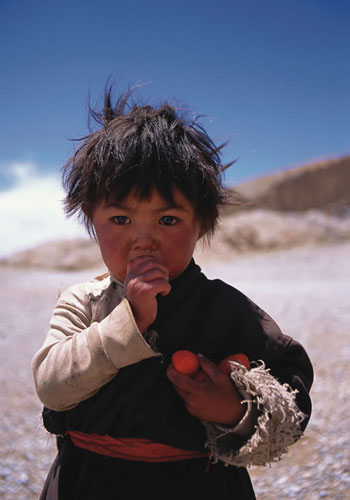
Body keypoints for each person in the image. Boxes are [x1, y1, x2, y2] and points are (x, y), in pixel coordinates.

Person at [32, 87, 313, 500]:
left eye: (167, 219)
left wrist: (234, 411)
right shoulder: (83, 301)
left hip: (199, 483)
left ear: (200, 224)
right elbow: (51, 387)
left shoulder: (225, 308)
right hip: (86, 479)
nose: (143, 241)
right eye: (120, 218)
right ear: (91, 221)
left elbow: (291, 398)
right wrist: (128, 323)